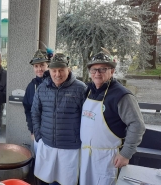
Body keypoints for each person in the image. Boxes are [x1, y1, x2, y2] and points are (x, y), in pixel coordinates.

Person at [79, 52, 145, 185]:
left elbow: (137, 125)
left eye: (103, 69)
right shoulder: (89, 91)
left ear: (112, 71)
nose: (97, 73)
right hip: (87, 155)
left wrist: (126, 153)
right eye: (94, 69)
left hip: (108, 159)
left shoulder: (122, 95)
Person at [31, 53, 87, 185]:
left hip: (70, 148)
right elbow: (35, 112)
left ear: (68, 69)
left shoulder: (80, 88)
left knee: (65, 182)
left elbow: (87, 118)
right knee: (44, 179)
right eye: (54, 70)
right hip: (47, 145)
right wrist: (39, 136)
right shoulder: (42, 88)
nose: (57, 74)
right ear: (49, 70)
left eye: (61, 70)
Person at [23, 49, 51, 143]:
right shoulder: (31, 86)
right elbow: (28, 109)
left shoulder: (54, 84)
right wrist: (32, 130)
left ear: (48, 65)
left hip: (53, 133)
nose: (39, 69)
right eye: (36, 66)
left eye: (42, 65)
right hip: (37, 133)